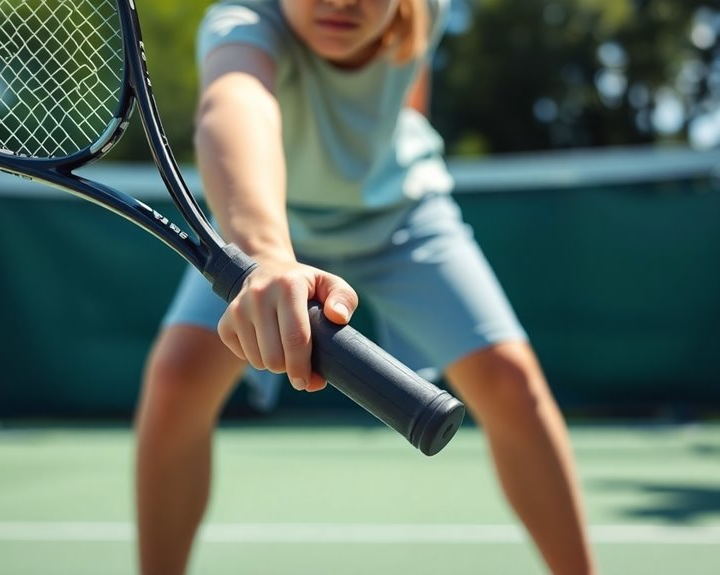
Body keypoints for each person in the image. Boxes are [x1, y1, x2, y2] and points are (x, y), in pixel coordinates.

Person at [133, 0, 596, 573]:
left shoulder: (426, 11)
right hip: (274, 233)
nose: (342, 1)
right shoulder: (241, 23)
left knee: (510, 380)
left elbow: (409, 94)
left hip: (402, 218)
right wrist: (268, 257)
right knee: (177, 379)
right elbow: (235, 107)